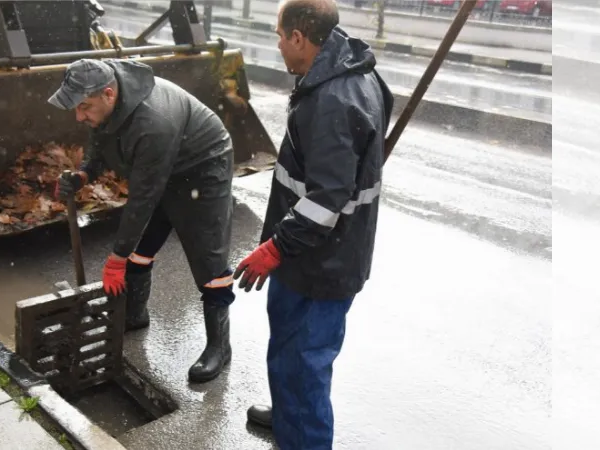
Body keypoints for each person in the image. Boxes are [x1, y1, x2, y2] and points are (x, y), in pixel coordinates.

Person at [232, 0, 394, 447]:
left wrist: (276, 248)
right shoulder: (349, 68)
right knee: (290, 349)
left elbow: (326, 199)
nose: (279, 44)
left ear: (300, 38)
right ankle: (289, 413)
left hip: (320, 260)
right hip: (323, 252)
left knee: (303, 362)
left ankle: (302, 435)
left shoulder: (331, 100)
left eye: (280, 36)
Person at [48, 58, 236, 383]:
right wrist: (83, 174)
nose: (79, 116)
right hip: (165, 165)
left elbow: (143, 198)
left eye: (84, 107)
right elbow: (100, 140)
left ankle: (220, 347)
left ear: (108, 94)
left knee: (209, 261)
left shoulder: (153, 121)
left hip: (204, 167)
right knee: (142, 248)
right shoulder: (108, 101)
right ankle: (135, 314)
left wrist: (116, 257)